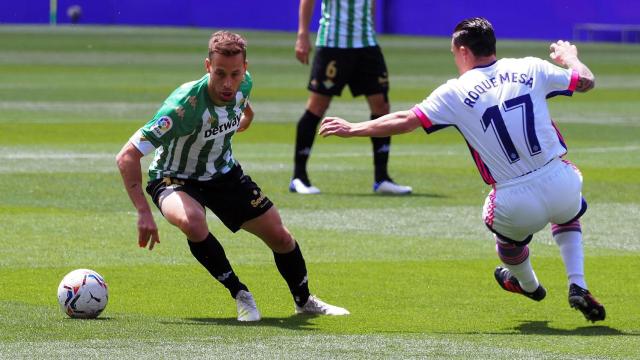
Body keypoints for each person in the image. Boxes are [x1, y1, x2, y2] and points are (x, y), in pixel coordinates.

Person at [319, 17, 606, 322]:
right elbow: (585, 81)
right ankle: (578, 283)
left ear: (464, 50)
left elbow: (406, 120)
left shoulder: (455, 91)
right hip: (560, 181)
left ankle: (527, 284)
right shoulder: (531, 67)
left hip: (514, 200)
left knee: (504, 235)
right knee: (567, 213)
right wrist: (571, 58)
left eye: (453, 52)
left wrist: (353, 128)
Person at [116, 31, 349, 322]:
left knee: (280, 236)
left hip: (224, 172)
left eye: (235, 74)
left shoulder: (244, 84)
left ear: (245, 69)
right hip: (173, 177)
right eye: (220, 74)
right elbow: (127, 155)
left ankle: (305, 301)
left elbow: (242, 102)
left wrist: (247, 117)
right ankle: (240, 294)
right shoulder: (182, 107)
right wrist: (143, 213)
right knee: (193, 222)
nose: (228, 83)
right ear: (207, 67)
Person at [290, 0, 412, 194]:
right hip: (333, 44)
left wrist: (369, 26)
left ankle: (382, 178)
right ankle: (298, 177)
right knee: (317, 107)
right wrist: (302, 34)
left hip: (366, 44)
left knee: (381, 106)